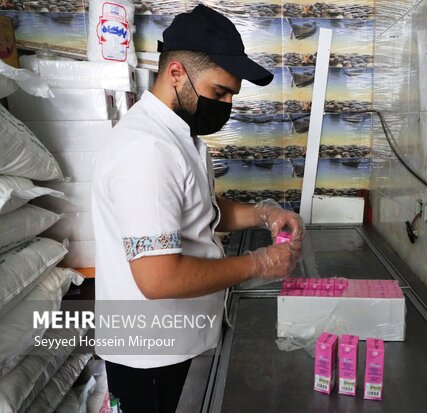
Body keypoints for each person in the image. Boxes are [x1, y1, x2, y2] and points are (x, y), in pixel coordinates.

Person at [91, 5, 304, 412]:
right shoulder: (147, 152)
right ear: (176, 74)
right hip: (147, 352)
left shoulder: (177, 137)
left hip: (169, 341)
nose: (224, 106)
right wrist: (260, 264)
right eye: (219, 92)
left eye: (230, 96)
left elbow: (200, 211)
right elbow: (159, 279)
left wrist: (265, 214)